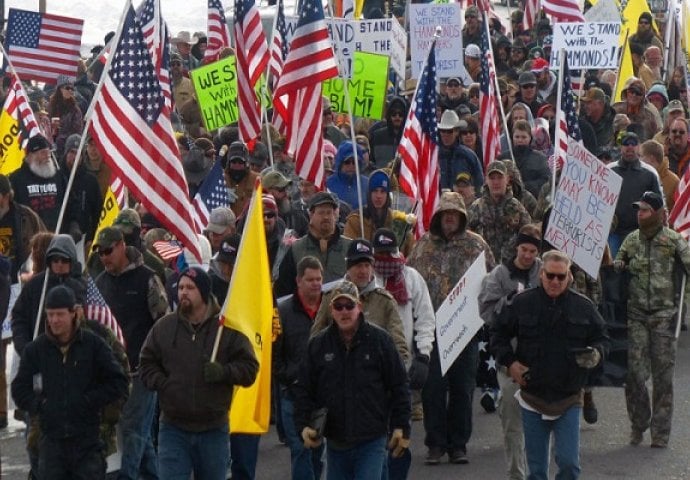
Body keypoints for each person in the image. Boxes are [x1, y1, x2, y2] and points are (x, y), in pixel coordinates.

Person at [491, 250, 609, 480]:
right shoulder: (522, 303)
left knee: (569, 465)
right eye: (550, 275)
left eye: (561, 277)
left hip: (568, 397)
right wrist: (510, 363)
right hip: (532, 397)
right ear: (541, 274)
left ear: (570, 278)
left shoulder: (583, 307)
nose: (555, 281)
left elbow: (602, 338)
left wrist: (596, 354)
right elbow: (497, 334)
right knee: (536, 471)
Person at [139, 266, 259, 479]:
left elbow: (250, 368)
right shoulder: (164, 327)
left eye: (190, 288)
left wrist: (224, 372)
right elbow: (147, 362)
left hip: (213, 428)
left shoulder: (226, 328)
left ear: (203, 293)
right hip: (173, 428)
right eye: (181, 287)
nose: (183, 292)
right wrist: (163, 383)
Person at [407, 192, 495, 465]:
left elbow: (492, 280)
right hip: (432, 329)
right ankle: (435, 444)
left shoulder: (476, 245)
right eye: (445, 214)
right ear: (437, 216)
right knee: (432, 389)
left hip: (464, 329)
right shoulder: (422, 246)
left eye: (454, 214)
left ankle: (458, 444)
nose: (449, 218)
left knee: (462, 387)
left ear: (462, 217)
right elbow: (409, 280)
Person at [294, 280, 411, 479]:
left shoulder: (380, 341)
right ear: (331, 310)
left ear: (359, 307)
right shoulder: (318, 346)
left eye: (349, 305)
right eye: (338, 306)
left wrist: (401, 426)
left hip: (372, 440)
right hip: (335, 442)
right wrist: (303, 424)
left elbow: (399, 385)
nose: (344, 311)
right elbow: (304, 388)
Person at [11, 285, 129, 480]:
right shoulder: (36, 351)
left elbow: (118, 381)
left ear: (73, 313)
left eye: (59, 314)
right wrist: (39, 405)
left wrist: (90, 401)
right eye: (50, 315)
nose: (54, 320)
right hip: (51, 444)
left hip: (87, 443)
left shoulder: (93, 345)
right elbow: (19, 388)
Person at [615, 191, 690, 448]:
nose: (640, 214)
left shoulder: (673, 241)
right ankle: (639, 423)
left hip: (663, 316)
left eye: (645, 209)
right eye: (639, 209)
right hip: (636, 314)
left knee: (663, 377)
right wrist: (617, 265)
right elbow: (617, 264)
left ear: (657, 213)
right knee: (634, 374)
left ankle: (660, 433)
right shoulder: (631, 240)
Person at [94, 227, 169, 480]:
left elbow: (164, 323)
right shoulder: (99, 284)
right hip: (113, 372)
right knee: (142, 435)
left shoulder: (147, 278)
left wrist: (161, 364)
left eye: (108, 251)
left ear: (121, 245)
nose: (104, 257)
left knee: (132, 431)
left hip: (141, 370)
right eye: (99, 252)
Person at [478, 225, 542, 480]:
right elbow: (485, 310)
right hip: (510, 360)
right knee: (513, 426)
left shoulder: (545, 271)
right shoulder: (499, 275)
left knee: (540, 425)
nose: (527, 255)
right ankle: (517, 474)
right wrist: (511, 302)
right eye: (524, 249)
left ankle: (538, 473)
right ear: (517, 247)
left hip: (540, 359)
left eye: (533, 251)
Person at [274, 256, 326, 479]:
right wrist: (291, 378)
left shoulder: (333, 308)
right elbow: (275, 358)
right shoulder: (282, 312)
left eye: (319, 279)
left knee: (317, 452)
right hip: (293, 397)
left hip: (323, 396)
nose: (316, 283)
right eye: (310, 279)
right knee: (300, 450)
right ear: (298, 281)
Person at [275, 192, 351, 297]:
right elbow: (283, 291)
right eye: (321, 213)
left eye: (329, 212)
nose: (326, 217)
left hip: (342, 310)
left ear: (335, 215)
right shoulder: (295, 250)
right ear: (311, 215)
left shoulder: (350, 247)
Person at [10, 135, 81, 235]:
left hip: (57, 238)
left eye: (49, 152)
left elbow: (72, 203)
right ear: (30, 156)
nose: (47, 156)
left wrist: (74, 225)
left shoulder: (58, 177)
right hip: (28, 241)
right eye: (43, 152)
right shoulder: (16, 180)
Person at [607, 131, 663, 257]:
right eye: (626, 143)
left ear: (639, 147)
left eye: (634, 144)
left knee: (637, 271)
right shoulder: (609, 170)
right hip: (613, 233)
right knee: (612, 270)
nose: (630, 147)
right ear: (621, 147)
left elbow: (659, 206)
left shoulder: (650, 173)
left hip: (640, 233)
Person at [468, 161, 531, 263]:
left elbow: (528, 235)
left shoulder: (517, 208)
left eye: (500, 178)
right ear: (486, 180)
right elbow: (467, 237)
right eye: (492, 178)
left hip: (510, 267)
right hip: (483, 265)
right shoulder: (476, 207)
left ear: (507, 179)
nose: (496, 182)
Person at [343, 170, 415, 257]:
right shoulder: (356, 220)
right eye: (375, 191)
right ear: (369, 193)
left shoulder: (397, 221)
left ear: (388, 195)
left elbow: (409, 254)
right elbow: (348, 251)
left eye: (383, 191)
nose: (379, 196)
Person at [0, 174, 47, 280]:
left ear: (6, 196)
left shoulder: (26, 215)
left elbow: (44, 243)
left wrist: (34, 272)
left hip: (19, 282)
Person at [326, 140, 370, 210]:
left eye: (355, 162)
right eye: (347, 162)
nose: (351, 165)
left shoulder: (367, 184)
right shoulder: (328, 185)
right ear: (340, 163)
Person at [48, 75, 84, 158]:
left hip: (66, 148)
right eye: (67, 88)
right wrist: (51, 127)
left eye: (72, 89)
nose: (70, 91)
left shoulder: (75, 109)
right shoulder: (51, 105)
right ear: (60, 89)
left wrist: (62, 137)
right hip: (50, 145)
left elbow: (77, 131)